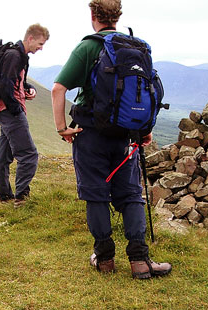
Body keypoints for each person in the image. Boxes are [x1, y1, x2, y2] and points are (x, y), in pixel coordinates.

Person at [51, 0, 171, 279]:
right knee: (130, 194)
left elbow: (59, 88)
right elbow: (144, 92)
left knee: (95, 194)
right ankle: (140, 261)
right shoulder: (136, 47)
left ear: (93, 14)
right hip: (125, 135)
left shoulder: (89, 47)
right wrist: (143, 129)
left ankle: (104, 259)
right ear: (118, 16)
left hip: (90, 133)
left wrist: (61, 128)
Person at [0, 24, 49, 208]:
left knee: (3, 156)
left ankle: (5, 196)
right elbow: (4, 85)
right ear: (30, 38)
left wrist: (28, 90)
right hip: (11, 113)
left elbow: (17, 82)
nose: (41, 48)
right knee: (29, 154)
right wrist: (16, 109)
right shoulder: (14, 55)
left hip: (6, 112)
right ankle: (21, 198)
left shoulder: (19, 56)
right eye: (40, 43)